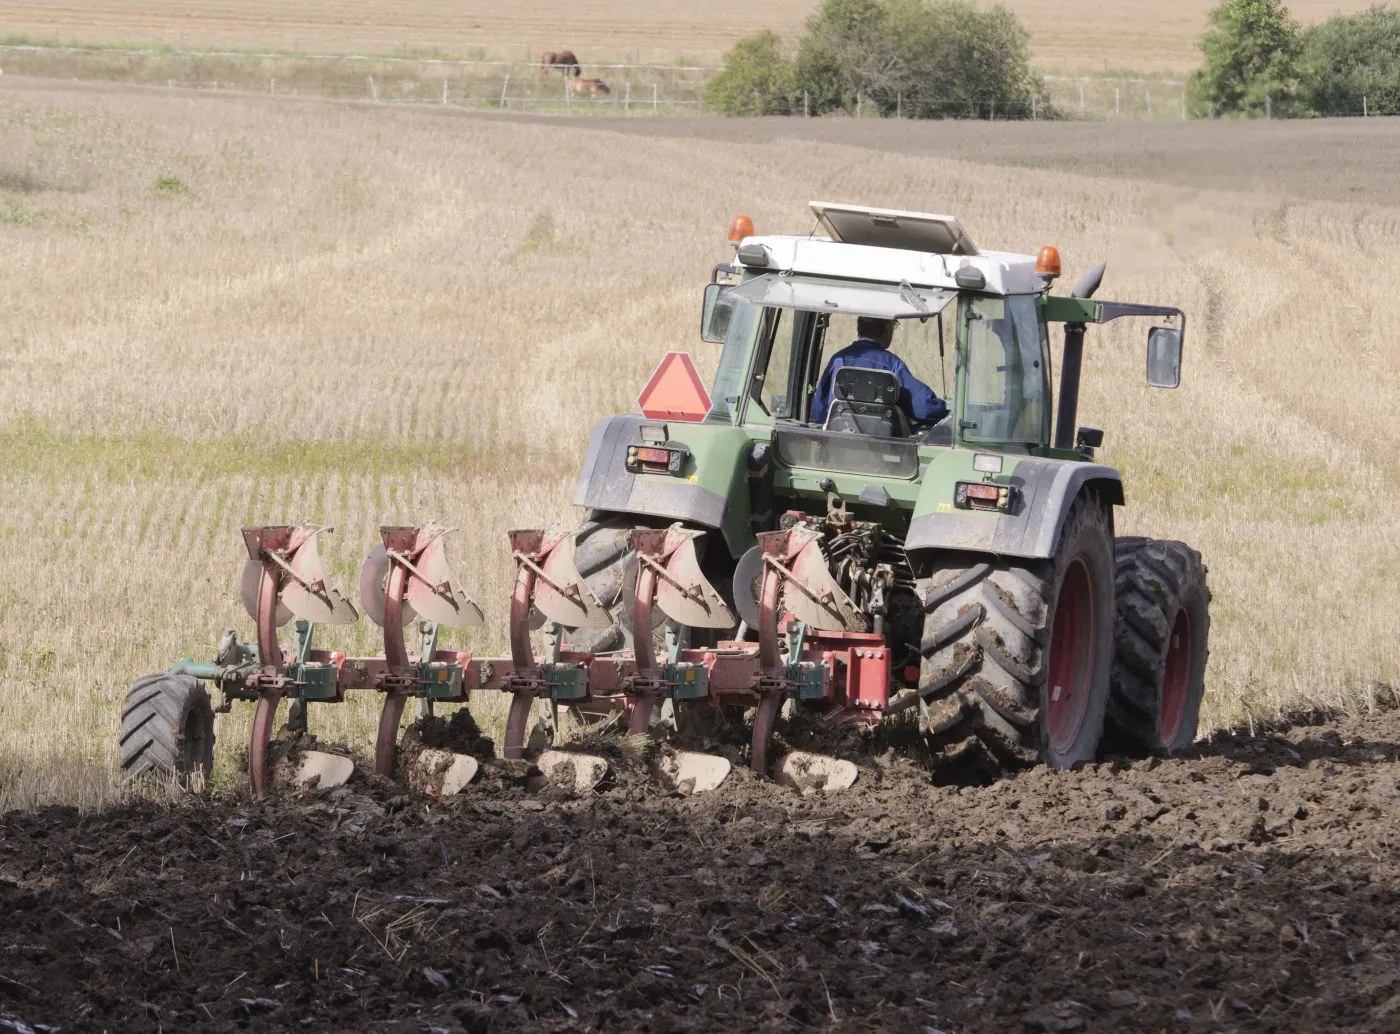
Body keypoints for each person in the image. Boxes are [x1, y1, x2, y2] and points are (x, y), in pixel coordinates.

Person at [811, 316, 947, 427]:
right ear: (887, 328)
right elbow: (926, 409)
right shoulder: (892, 365)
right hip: (884, 452)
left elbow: (819, 413)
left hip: (838, 446)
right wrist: (943, 409)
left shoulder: (837, 360)